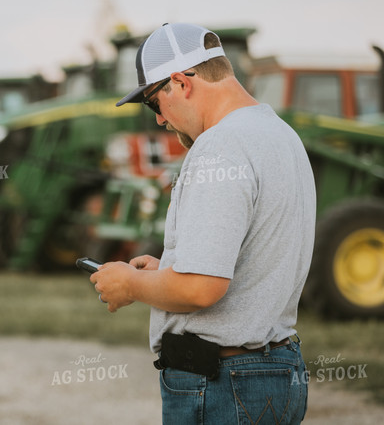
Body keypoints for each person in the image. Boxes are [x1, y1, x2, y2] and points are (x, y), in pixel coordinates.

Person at [91, 23, 314, 424]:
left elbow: (200, 287)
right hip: (275, 371)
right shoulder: (279, 134)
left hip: (226, 383)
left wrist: (131, 285)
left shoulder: (219, 147)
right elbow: (251, 261)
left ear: (179, 83)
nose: (159, 120)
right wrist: (166, 272)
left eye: (153, 103)